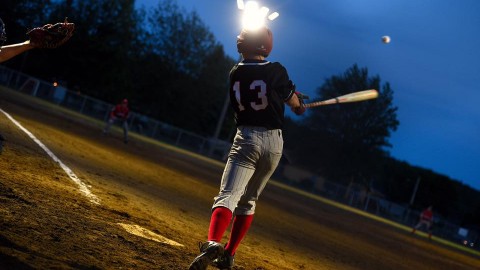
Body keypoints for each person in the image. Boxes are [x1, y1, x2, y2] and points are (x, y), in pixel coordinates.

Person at [188, 25, 306, 270]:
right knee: (249, 201)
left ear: (246, 44)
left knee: (228, 195)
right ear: (266, 46)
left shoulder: (235, 72)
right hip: (274, 144)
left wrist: (290, 95)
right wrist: (298, 103)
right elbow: (291, 101)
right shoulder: (276, 69)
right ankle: (229, 254)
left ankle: (212, 242)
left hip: (247, 137)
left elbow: (265, 90)